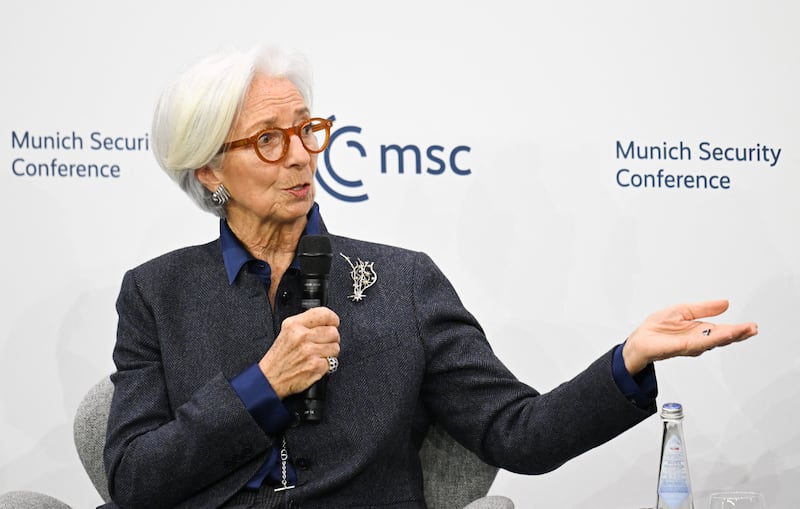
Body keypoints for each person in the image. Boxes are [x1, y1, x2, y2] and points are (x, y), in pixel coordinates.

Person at [102, 45, 758, 509]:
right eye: (268, 139)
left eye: (306, 130)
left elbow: (519, 432)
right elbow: (133, 479)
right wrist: (261, 387)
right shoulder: (156, 294)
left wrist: (629, 358)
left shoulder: (402, 281)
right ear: (209, 170)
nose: (301, 155)